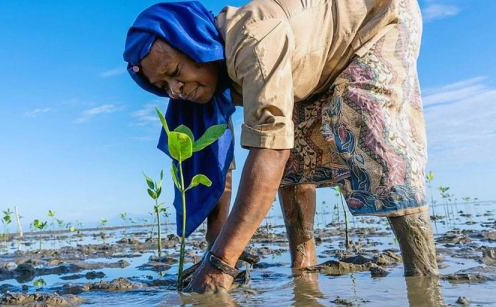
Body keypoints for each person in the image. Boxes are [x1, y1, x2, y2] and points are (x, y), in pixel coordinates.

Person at [123, 0, 439, 294]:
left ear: (196, 44)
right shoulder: (211, 82)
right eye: (162, 87)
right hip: (313, 66)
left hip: (376, 20)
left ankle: (423, 275)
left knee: (370, 127)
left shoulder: (254, 43)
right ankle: (304, 270)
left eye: (175, 73)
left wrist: (221, 264)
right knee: (293, 157)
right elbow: (221, 166)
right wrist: (214, 249)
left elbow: (269, 152)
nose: (175, 91)